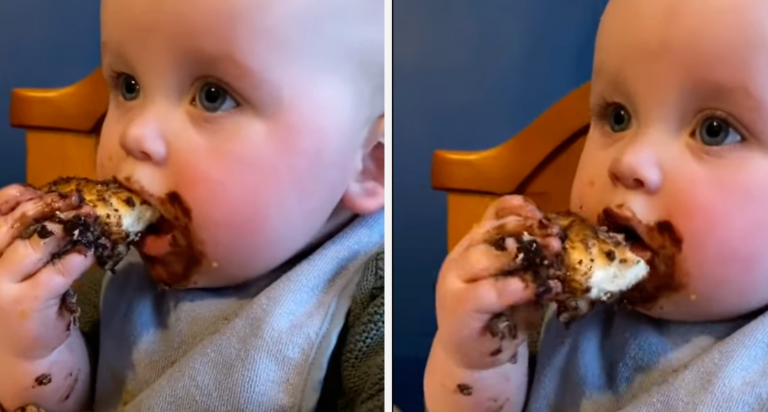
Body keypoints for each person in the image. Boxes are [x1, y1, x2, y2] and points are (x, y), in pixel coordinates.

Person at [0, 0, 384, 410]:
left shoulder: (373, 301)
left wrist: (456, 368)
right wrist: (35, 357)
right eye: (129, 85)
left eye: (213, 96)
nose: (136, 134)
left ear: (366, 165)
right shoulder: (118, 275)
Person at [424, 0, 768, 410]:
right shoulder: (542, 310)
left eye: (715, 131)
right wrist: (474, 365)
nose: (629, 161)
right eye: (618, 117)